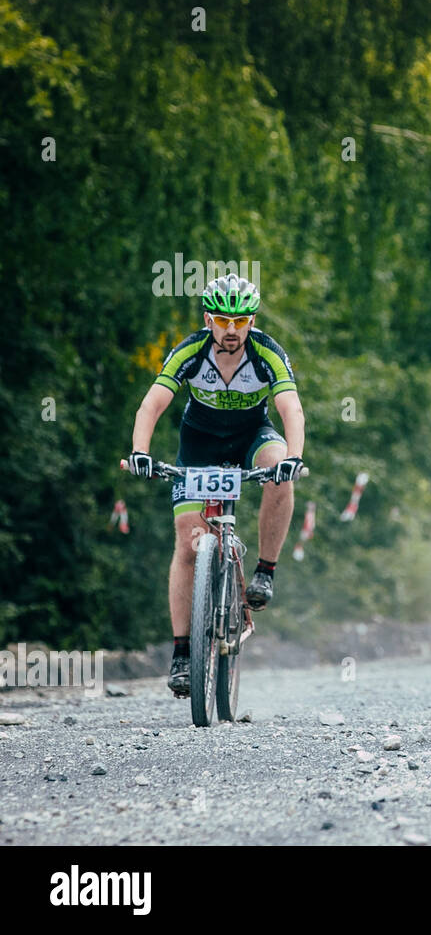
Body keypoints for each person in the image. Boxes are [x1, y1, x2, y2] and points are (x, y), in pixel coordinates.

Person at [127, 274, 305, 698]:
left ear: (251, 321)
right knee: (189, 543)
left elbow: (290, 408)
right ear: (208, 319)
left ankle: (265, 571)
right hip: (200, 443)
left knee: (278, 466)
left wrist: (295, 457)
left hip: (251, 437)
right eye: (223, 320)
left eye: (240, 321)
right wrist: (139, 451)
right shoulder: (191, 350)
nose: (231, 330)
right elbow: (152, 403)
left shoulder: (266, 352)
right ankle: (183, 654)